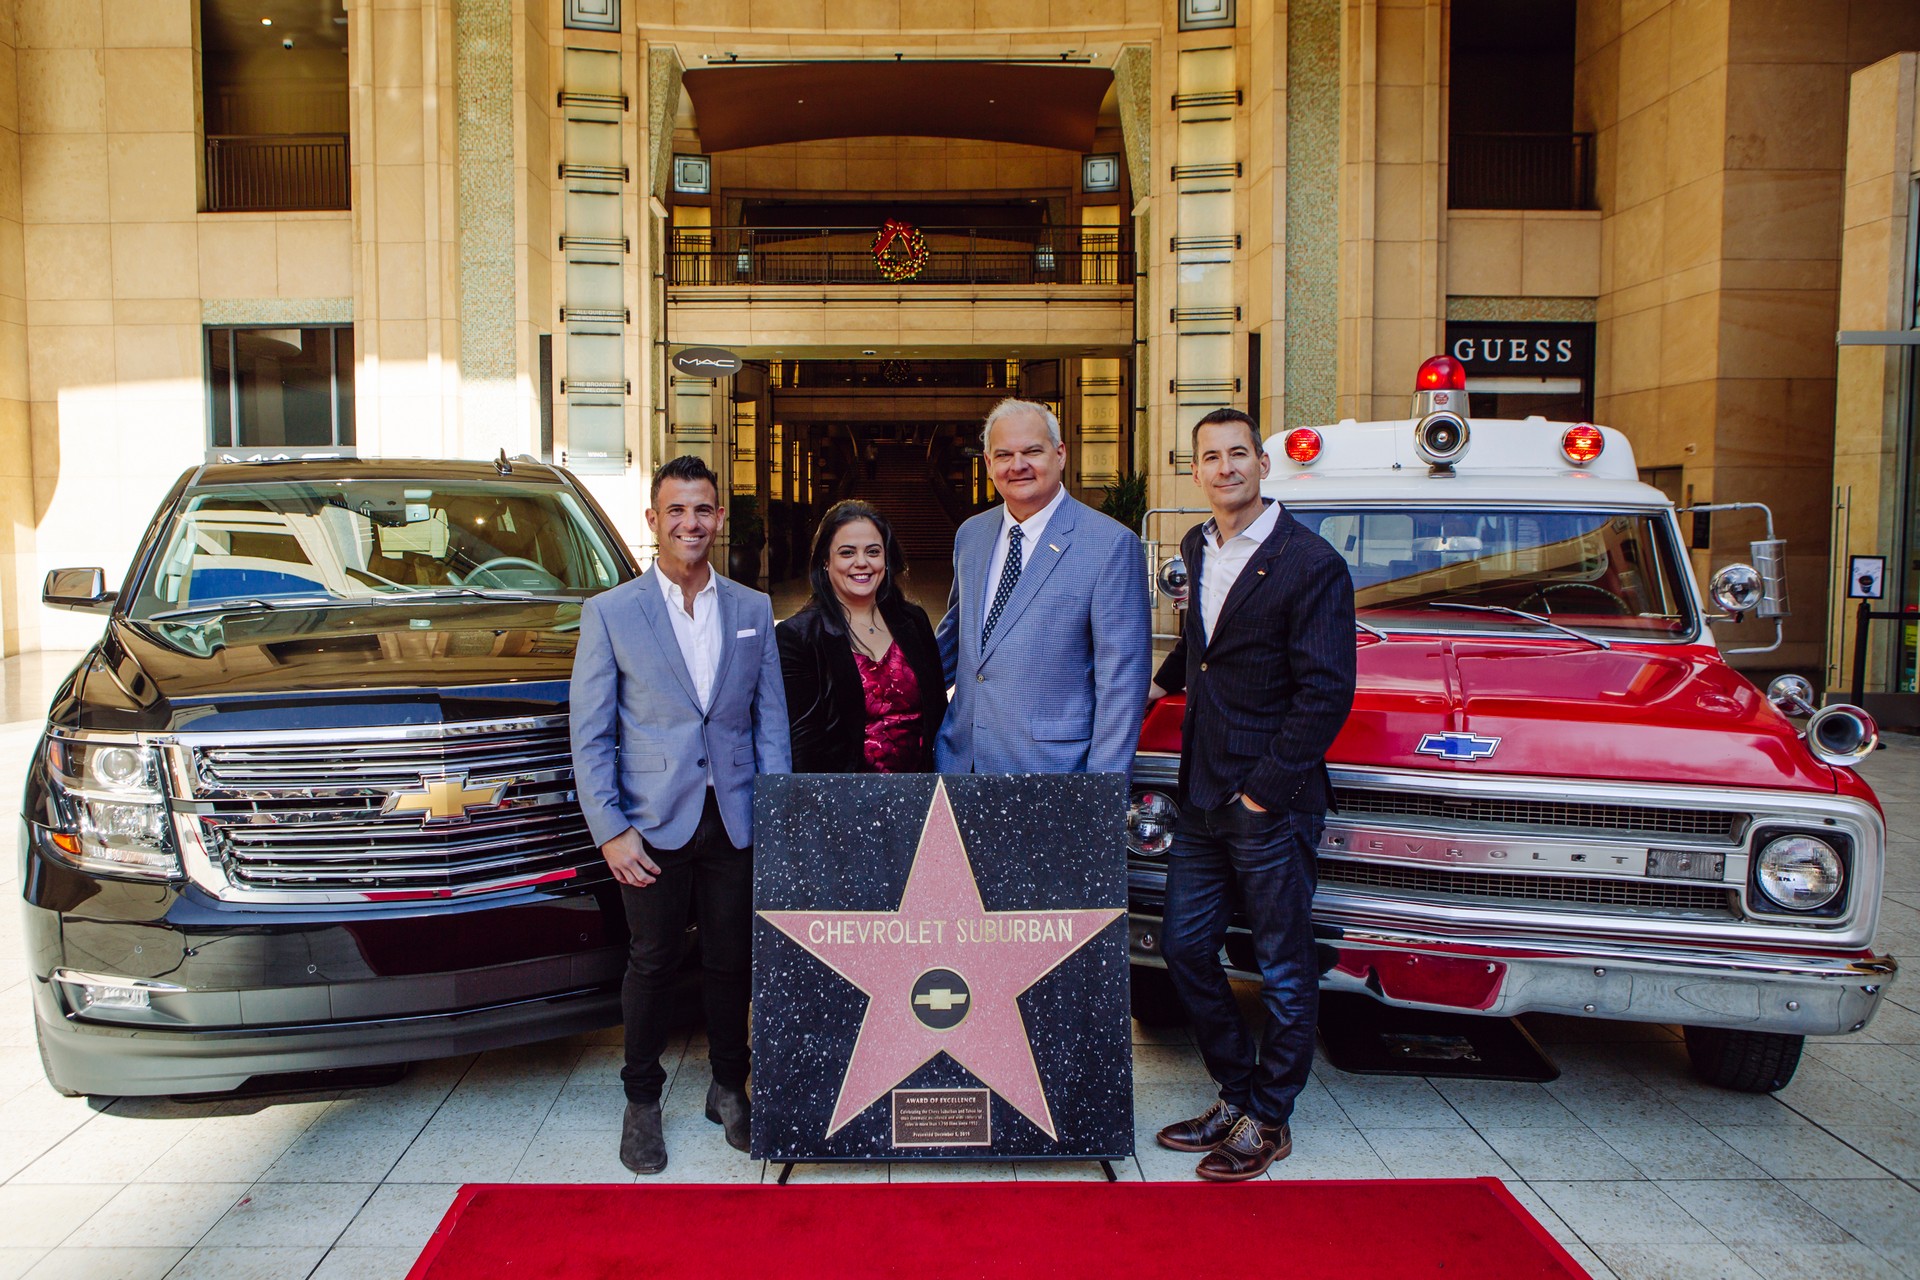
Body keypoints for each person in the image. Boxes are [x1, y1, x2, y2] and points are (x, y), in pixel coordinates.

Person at [1147, 406, 1356, 1181]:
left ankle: (1270, 1118)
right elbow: (1205, 648)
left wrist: (1264, 794)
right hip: (1201, 793)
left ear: (1263, 465)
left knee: (1281, 962)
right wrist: (1151, 686)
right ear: (1195, 470)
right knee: (1184, 947)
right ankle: (1235, 1094)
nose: (1226, 467)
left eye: (1240, 454)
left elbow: (1328, 692)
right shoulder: (1198, 546)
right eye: (1211, 456)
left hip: (1270, 799)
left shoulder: (1311, 563)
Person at [569, 455, 791, 1175]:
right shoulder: (611, 612)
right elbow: (592, 733)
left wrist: (777, 817)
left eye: (703, 510)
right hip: (648, 824)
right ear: (653, 520)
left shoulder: (754, 610)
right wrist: (610, 830)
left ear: (718, 517)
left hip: (735, 817)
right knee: (654, 961)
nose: (690, 523)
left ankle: (730, 1087)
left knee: (733, 961)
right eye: (676, 511)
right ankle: (642, 1101)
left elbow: (771, 726)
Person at [934, 398, 1150, 776]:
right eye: (1003, 455)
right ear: (988, 464)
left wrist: (1099, 796)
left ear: (1060, 453)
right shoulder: (971, 535)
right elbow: (956, 640)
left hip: (1053, 773)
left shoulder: (1110, 544)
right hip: (959, 764)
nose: (1017, 466)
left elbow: (1122, 688)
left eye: (1032, 451)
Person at [776, 501, 946, 773]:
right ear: (825, 561)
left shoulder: (913, 621)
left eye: (873, 552)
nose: (862, 563)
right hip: (843, 802)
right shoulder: (798, 637)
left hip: (921, 795)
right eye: (847, 552)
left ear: (886, 559)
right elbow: (803, 748)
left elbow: (938, 712)